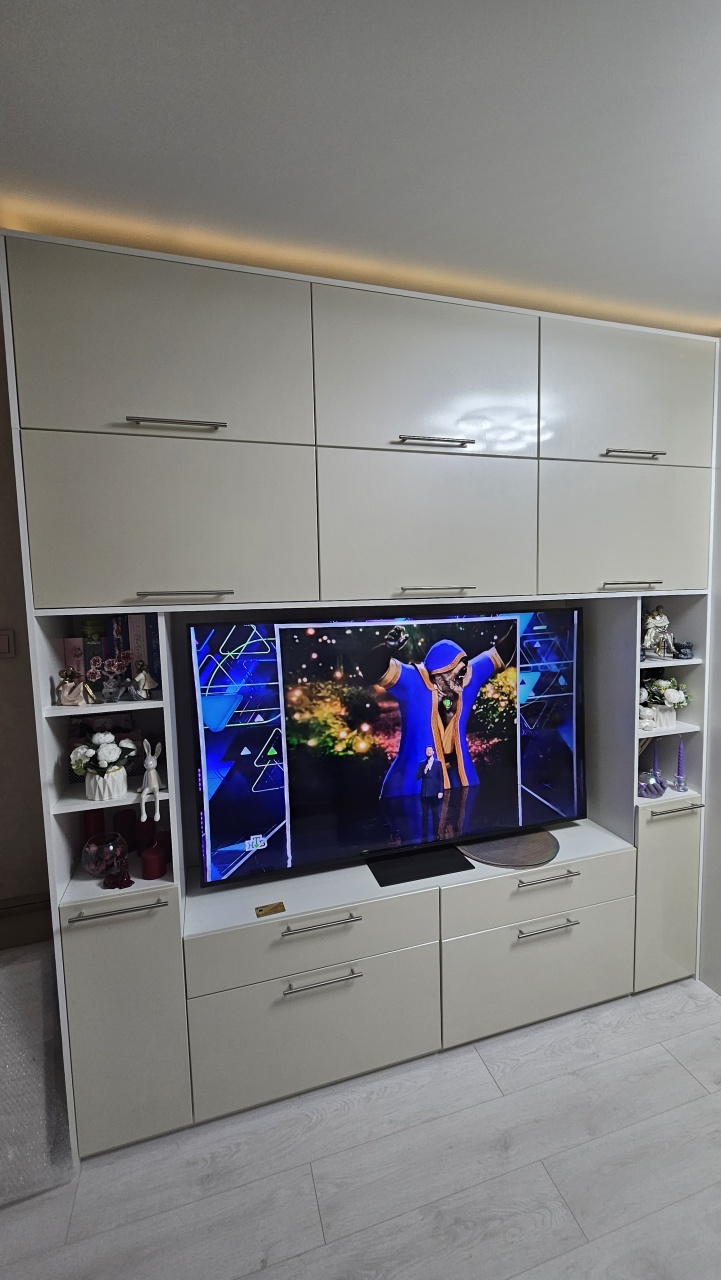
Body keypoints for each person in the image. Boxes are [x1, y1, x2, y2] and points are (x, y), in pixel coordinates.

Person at [367, 623, 516, 799]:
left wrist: (518, 623)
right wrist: (386, 649)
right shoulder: (414, 682)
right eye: (458, 673)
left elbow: (499, 654)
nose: (463, 677)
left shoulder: (466, 680)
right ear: (439, 673)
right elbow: (372, 670)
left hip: (458, 781)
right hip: (415, 784)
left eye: (464, 671)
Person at [417, 746, 444, 841]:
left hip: (435, 792)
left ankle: (436, 833)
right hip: (425, 793)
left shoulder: (438, 763)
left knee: (435, 813)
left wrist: (441, 791)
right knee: (425, 815)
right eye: (427, 750)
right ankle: (425, 835)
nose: (428, 751)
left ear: (433, 752)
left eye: (430, 750)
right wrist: (424, 771)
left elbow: (441, 778)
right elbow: (417, 776)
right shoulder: (421, 763)